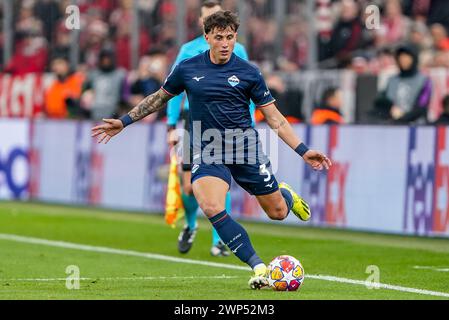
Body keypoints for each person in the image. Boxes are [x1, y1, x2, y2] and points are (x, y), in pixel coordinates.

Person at [92, 11, 332, 290]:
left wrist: (303, 151)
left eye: (230, 37)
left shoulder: (249, 72)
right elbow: (158, 98)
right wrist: (124, 121)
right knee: (211, 205)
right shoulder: (187, 68)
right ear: (207, 38)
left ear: (235, 38)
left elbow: (275, 118)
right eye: (218, 37)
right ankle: (259, 267)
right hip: (207, 149)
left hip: (245, 149)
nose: (225, 43)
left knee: (277, 212)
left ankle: (285, 195)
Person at [166, 0, 254, 257]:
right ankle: (191, 224)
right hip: (191, 121)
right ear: (202, 25)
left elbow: (248, 88)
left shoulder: (239, 50)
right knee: (188, 186)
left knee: (221, 180)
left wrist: (248, 122)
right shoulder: (188, 50)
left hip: (227, 124)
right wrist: (172, 123)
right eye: (208, 18)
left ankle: (219, 240)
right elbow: (171, 90)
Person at [384, 44, 432, 124]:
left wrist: (403, 118)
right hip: (394, 123)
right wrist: (389, 110)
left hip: (416, 125)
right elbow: (385, 101)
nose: (403, 60)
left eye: (407, 57)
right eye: (401, 57)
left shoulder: (424, 80)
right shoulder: (392, 80)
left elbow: (422, 105)